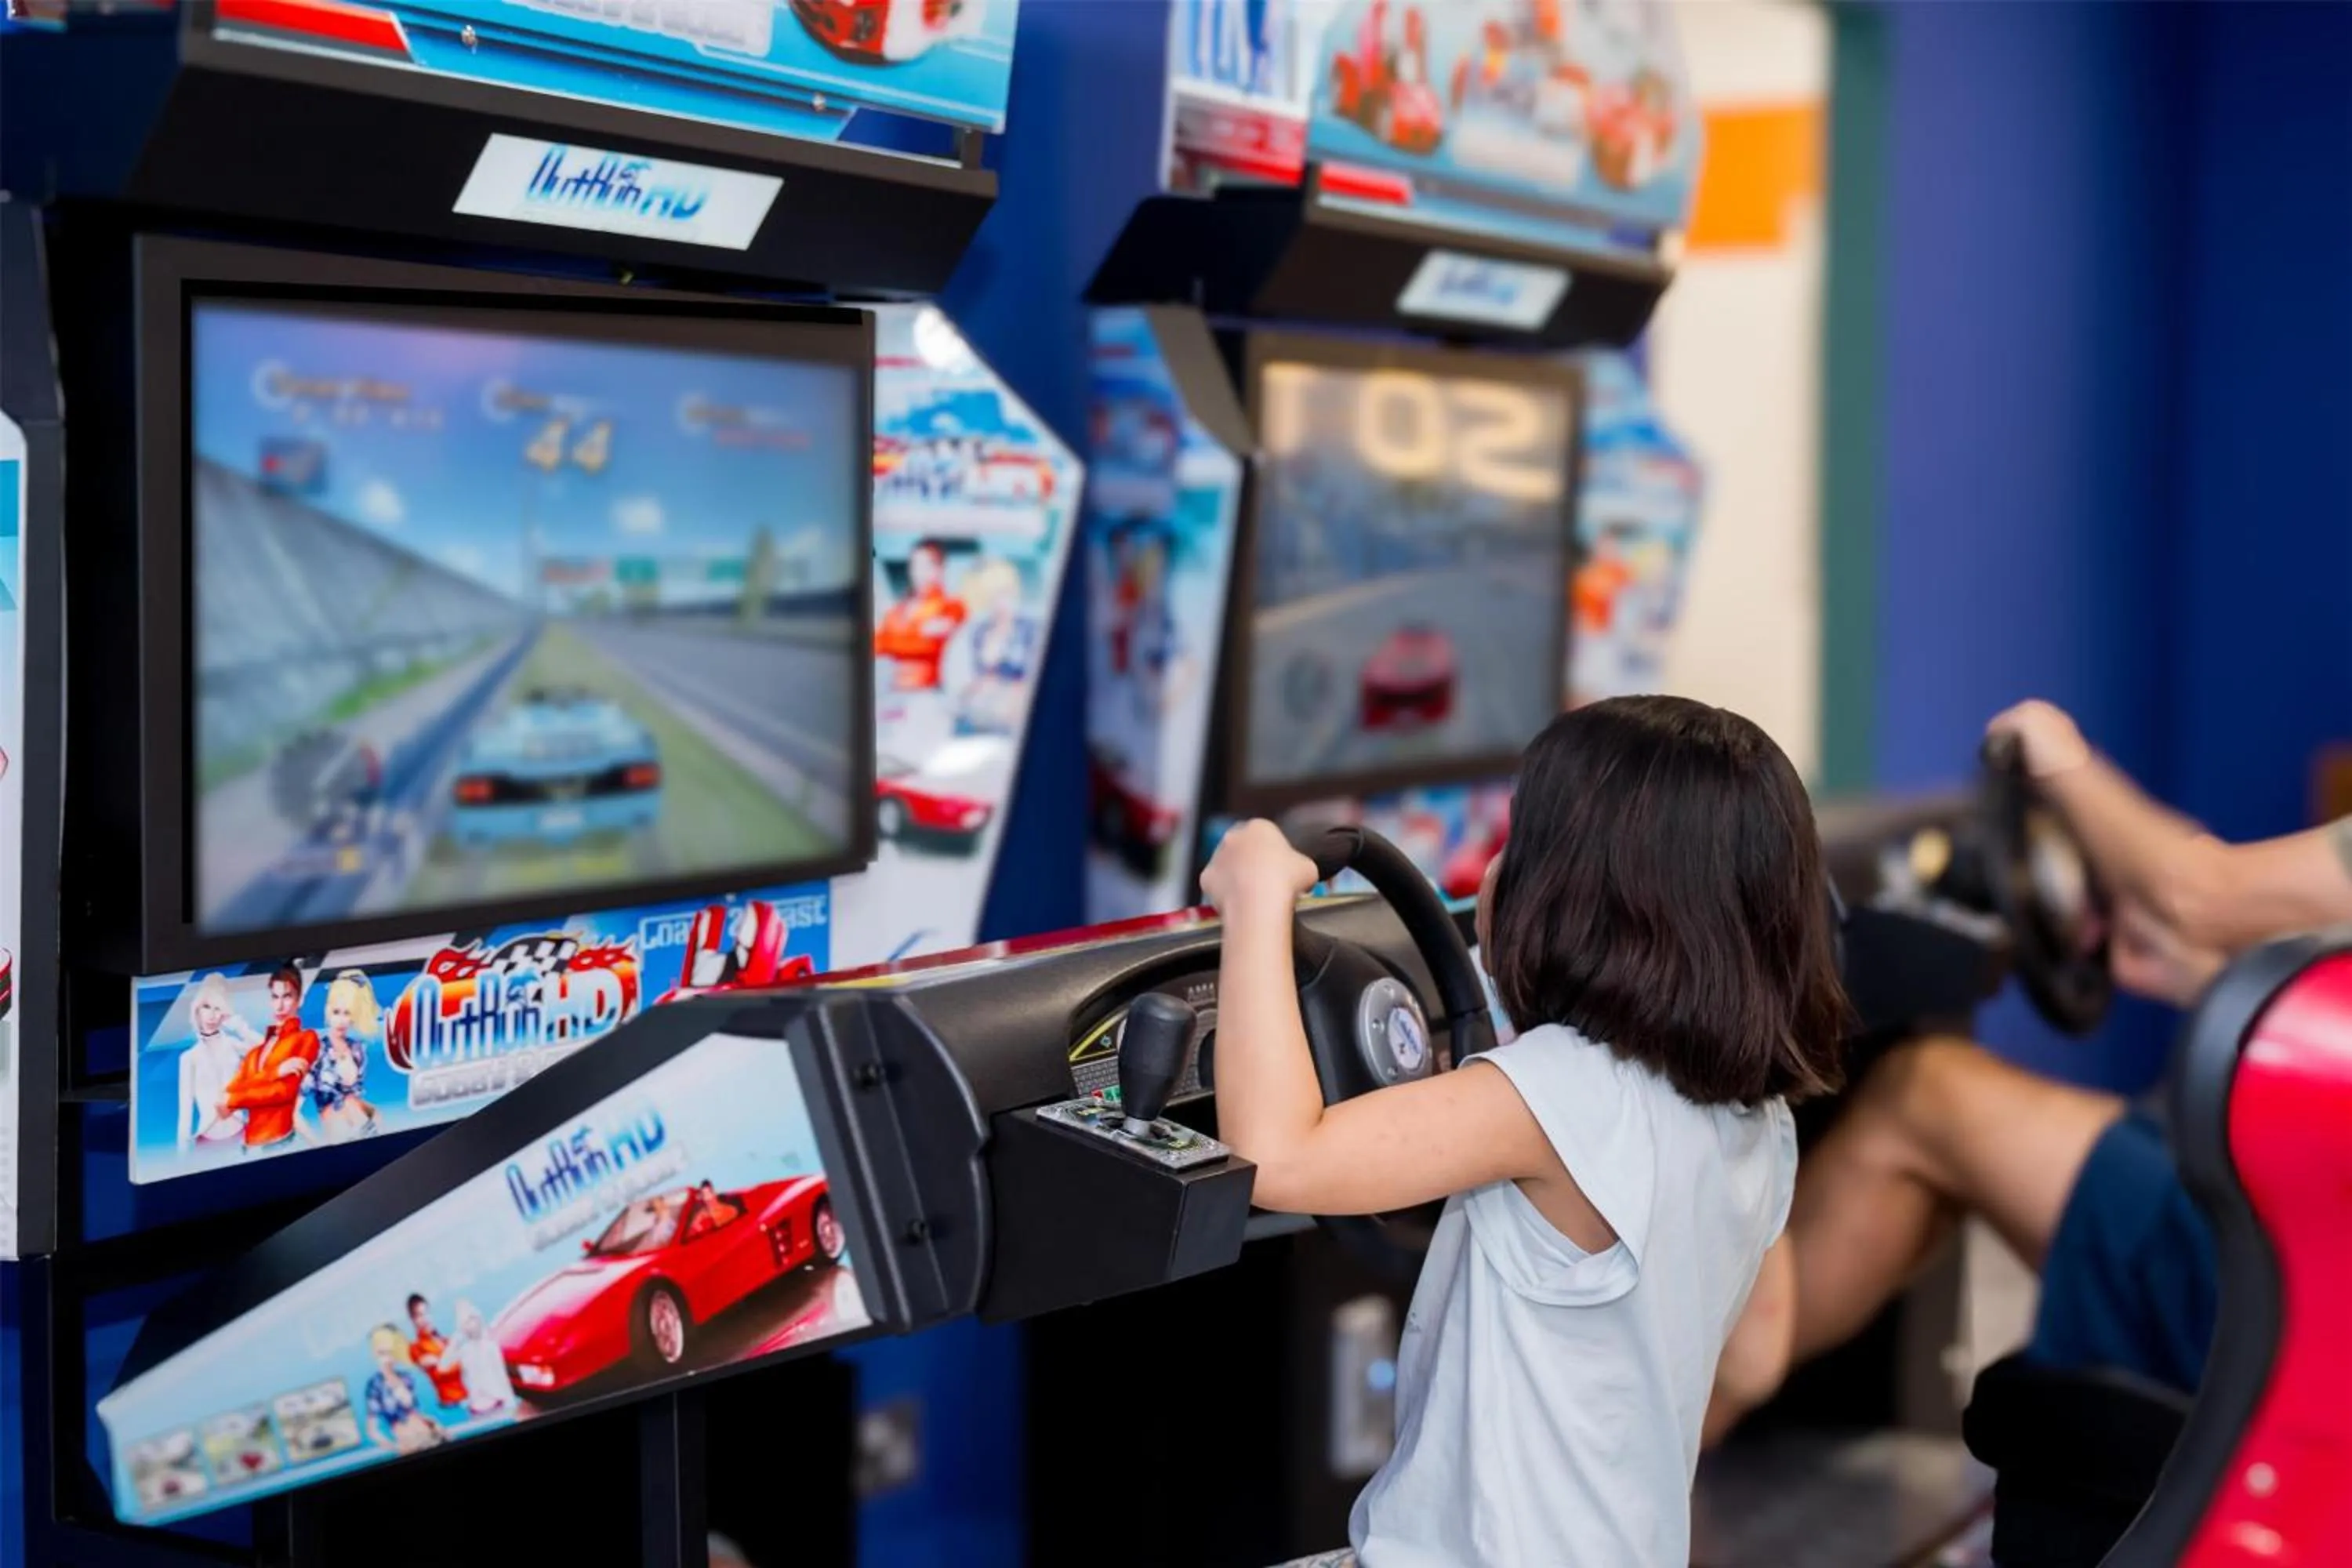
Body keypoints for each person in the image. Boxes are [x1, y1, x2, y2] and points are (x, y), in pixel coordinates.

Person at [1204, 695, 1849, 1566]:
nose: (1497, 866)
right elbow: (1756, 1356)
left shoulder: (1557, 1095)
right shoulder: (1758, 1119)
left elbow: (1275, 1154)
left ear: (1582, 902)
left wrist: (1254, 898)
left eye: (1519, 840)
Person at [1706, 698, 2352, 1439]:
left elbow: (2199, 893)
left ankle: (1672, 1448)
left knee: (1920, 1099)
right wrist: (2202, 972)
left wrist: (2058, 750)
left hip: (2294, 1289)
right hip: (2311, 1230)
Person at [216, 966, 321, 1151]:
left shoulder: (306, 1039)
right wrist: (276, 1072)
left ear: (300, 999)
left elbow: (282, 1092)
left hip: (279, 1144)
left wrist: (234, 1099)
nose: (279, 1006)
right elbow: (229, 1098)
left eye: (287, 996)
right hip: (248, 1148)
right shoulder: (255, 1053)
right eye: (275, 997)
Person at [176, 974, 260, 1155]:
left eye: (218, 1008)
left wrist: (238, 1025)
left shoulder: (233, 1045)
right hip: (206, 1142)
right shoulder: (189, 1058)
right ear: (197, 1009)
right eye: (207, 1007)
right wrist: (181, 1161)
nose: (212, 1015)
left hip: (241, 1136)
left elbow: (267, 1051)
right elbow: (185, 1113)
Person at [298, 970, 382, 1145]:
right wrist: (317, 1145)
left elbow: (354, 1097)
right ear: (328, 1011)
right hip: (339, 1139)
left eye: (348, 1013)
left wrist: (376, 1117)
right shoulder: (316, 1052)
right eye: (337, 1012)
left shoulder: (357, 1049)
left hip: (368, 1129)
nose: (342, 1020)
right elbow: (292, 1112)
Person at [405, 1294, 467, 1410]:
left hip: (468, 1399)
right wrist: (459, 1358)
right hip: (452, 1405)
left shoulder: (445, 1341)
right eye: (419, 1315)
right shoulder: (416, 1348)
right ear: (413, 1320)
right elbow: (443, 1371)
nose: (425, 1319)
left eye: (427, 1313)